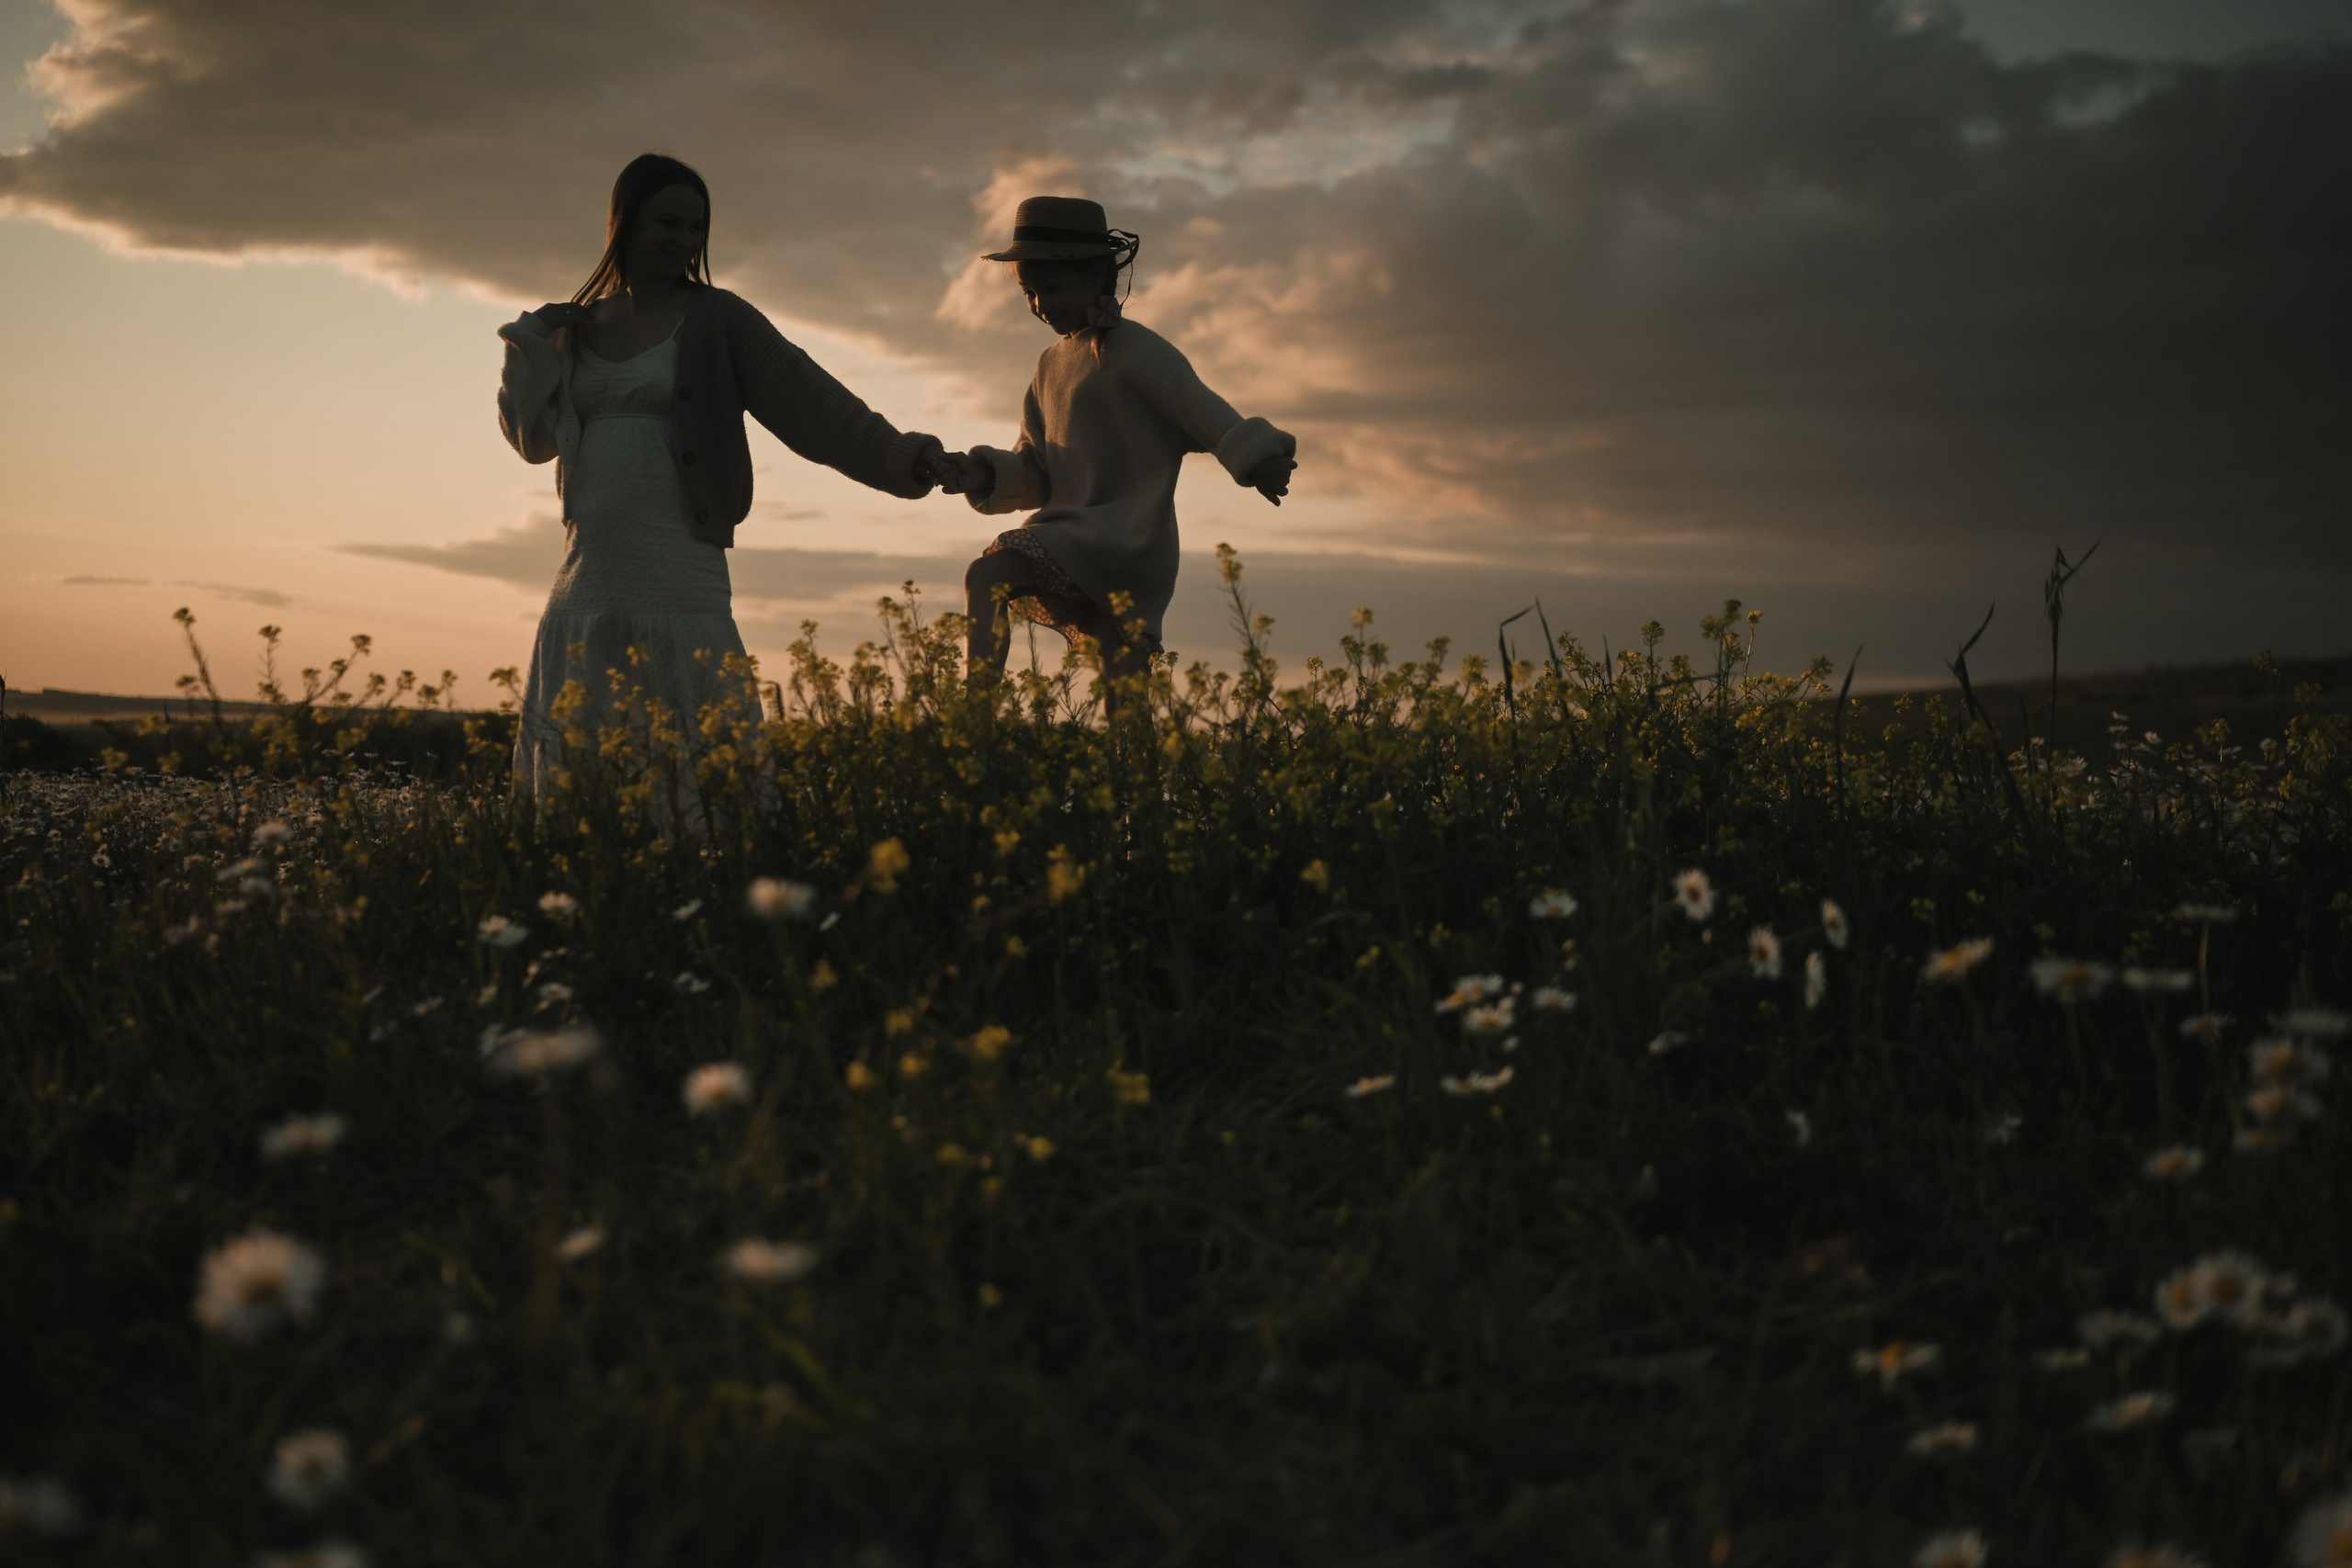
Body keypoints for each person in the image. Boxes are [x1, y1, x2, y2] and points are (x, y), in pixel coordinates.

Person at [496, 152, 949, 799]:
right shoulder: (580, 326)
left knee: (695, 747)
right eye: (668, 223)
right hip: (588, 577)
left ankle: (707, 881)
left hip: (680, 563)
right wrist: (532, 342)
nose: (684, 241)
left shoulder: (720, 319)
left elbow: (818, 409)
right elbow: (531, 439)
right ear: (623, 223)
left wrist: (908, 457)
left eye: (696, 228)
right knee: (586, 760)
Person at [935, 197, 1296, 700]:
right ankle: (984, 724)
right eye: (1029, 293)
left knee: (994, 579)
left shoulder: (1139, 351)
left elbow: (1201, 409)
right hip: (1075, 533)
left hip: (1126, 539)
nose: (1041, 305)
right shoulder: (1048, 366)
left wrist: (1259, 459)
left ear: (1097, 276)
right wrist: (978, 474)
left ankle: (978, 724)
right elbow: (1038, 469)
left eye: (1052, 288)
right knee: (1116, 692)